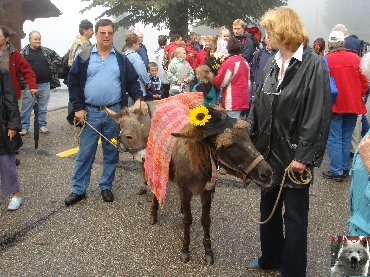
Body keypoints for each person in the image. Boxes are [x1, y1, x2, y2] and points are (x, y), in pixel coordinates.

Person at [247, 7, 331, 277]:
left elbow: (316, 112)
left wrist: (304, 156)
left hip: (295, 154)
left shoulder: (313, 64)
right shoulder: (272, 61)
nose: (266, 36)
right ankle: (270, 257)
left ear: (284, 31)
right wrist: (249, 139)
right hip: (267, 151)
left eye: (270, 30)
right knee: (268, 209)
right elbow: (258, 102)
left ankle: (293, 271)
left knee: (294, 217)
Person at [65, 19, 148, 206]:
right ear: (96, 34)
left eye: (110, 32)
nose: (106, 36)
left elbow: (133, 82)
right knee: (86, 153)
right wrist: (78, 107)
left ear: (113, 34)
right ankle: (79, 190)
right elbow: (74, 83)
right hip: (90, 113)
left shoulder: (120, 59)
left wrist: (138, 99)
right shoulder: (84, 57)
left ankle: (106, 186)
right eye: (102, 32)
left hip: (114, 114)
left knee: (111, 152)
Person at [322, 31, 368, 182]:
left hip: (335, 104)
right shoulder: (356, 58)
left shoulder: (326, 60)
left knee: (335, 137)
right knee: (347, 136)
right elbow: (364, 82)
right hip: (353, 104)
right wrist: (358, 93)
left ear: (330, 44)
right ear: (343, 43)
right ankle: (343, 167)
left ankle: (337, 171)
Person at [20, 30, 62, 135]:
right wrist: (23, 82)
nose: (38, 41)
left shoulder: (47, 51)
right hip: (29, 85)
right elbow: (19, 69)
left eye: (39, 39)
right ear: (30, 40)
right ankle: (24, 127)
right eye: (35, 39)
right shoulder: (23, 53)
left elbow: (59, 59)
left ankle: (42, 125)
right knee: (26, 107)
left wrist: (53, 68)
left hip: (45, 83)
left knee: (42, 107)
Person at [0, 68, 23, 211]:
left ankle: (16, 195)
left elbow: (11, 99)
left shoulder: (2, 73)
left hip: (2, 127)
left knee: (7, 164)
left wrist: (13, 125)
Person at [214, 38, 250, 119]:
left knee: (232, 126)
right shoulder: (244, 61)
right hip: (243, 99)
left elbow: (221, 82)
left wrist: (214, 79)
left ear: (228, 49)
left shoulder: (230, 62)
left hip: (232, 101)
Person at [0, 26, 37, 101]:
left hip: (10, 94)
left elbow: (27, 71)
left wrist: (32, 86)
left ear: (6, 38)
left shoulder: (14, 54)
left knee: (13, 112)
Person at [124, 33, 151, 104]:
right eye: (138, 44)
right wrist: (147, 82)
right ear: (133, 44)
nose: (140, 45)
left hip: (128, 89)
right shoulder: (134, 56)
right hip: (138, 88)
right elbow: (141, 71)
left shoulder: (125, 55)